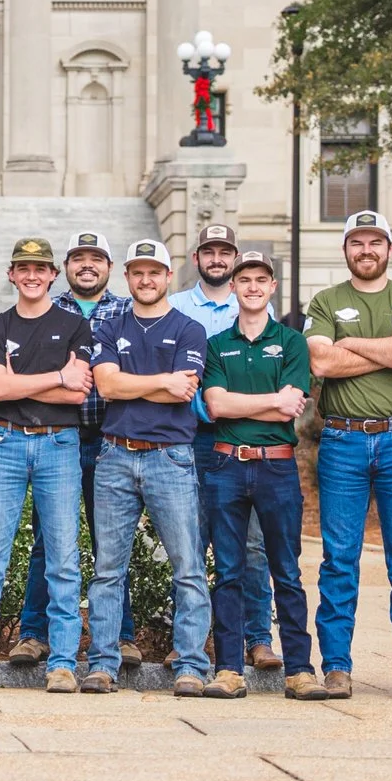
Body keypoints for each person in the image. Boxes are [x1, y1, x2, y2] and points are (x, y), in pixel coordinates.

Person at [305, 211, 392, 699]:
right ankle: (336, 666)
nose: (366, 250)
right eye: (357, 242)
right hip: (342, 441)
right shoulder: (326, 300)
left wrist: (350, 344)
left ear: (388, 249)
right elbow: (320, 361)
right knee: (340, 559)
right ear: (345, 250)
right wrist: (387, 349)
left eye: (375, 242)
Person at [0, 238, 91, 692]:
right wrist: (56, 376)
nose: (32, 275)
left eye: (40, 268)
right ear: (11, 274)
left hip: (59, 444)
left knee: (63, 558)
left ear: (53, 274)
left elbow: (79, 394)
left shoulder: (76, 327)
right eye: (23, 268)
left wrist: (19, 382)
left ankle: (63, 665)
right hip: (4, 443)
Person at [88, 239, 214, 696]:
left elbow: (184, 393)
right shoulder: (108, 328)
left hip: (170, 458)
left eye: (154, 272)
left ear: (168, 276)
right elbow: (105, 385)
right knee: (107, 569)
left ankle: (192, 667)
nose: (146, 280)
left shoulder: (189, 329)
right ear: (128, 277)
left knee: (188, 567)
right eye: (138, 272)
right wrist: (161, 379)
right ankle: (102, 664)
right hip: (115, 456)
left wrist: (132, 384)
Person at [200, 248, 319, 699]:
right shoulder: (217, 344)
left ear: (272, 287)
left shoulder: (291, 342)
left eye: (260, 280)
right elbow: (216, 406)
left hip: (277, 467)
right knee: (228, 571)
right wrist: (271, 402)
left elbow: (294, 401)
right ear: (232, 287)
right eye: (243, 279)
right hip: (227, 464)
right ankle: (229, 668)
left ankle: (300, 670)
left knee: (285, 570)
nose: (252, 286)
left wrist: (243, 403)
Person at [15, 230, 132, 669]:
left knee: (112, 543)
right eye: (79, 258)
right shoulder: (48, 307)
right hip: (57, 437)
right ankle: (33, 634)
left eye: (96, 258)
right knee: (48, 541)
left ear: (109, 267)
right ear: (64, 267)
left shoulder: (126, 310)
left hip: (111, 439)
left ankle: (121, 636)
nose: (87, 265)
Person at [172, 222, 277, 671]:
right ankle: (188, 641)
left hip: (244, 442)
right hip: (191, 440)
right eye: (209, 251)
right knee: (190, 545)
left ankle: (258, 638)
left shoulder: (256, 311)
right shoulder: (175, 308)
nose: (216, 258)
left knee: (253, 545)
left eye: (225, 252)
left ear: (235, 263)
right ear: (196, 258)